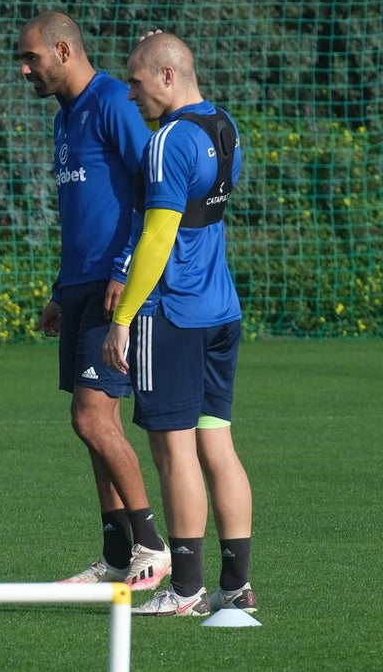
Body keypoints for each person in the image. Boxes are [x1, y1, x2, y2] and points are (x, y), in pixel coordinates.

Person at [16, 11, 171, 588]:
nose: (24, 69)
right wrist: (63, 290)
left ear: (62, 50)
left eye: (31, 58)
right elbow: (82, 216)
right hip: (80, 287)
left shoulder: (112, 102)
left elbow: (150, 191)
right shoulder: (64, 118)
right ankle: (115, 553)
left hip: (114, 286)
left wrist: (125, 269)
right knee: (90, 422)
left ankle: (152, 546)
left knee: (91, 417)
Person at [103, 31, 256, 617]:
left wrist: (122, 318)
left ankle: (186, 589)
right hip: (222, 311)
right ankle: (234, 585)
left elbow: (159, 235)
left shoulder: (168, 141)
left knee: (174, 451)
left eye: (138, 84)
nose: (133, 96)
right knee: (217, 441)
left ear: (167, 76)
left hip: (172, 314)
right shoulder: (227, 127)